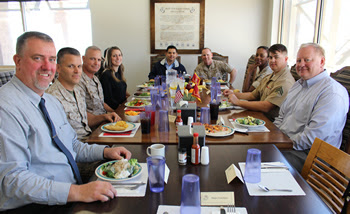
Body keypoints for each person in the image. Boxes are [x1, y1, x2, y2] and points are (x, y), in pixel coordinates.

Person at [0, 31, 132, 211]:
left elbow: (73, 146)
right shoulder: (5, 107)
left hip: (70, 190)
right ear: (18, 61)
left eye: (52, 59)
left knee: (130, 176)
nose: (47, 67)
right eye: (38, 58)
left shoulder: (50, 102)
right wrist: (78, 192)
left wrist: (106, 152)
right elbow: (12, 180)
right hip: (38, 204)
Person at [274, 43, 349, 172]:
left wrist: (277, 144)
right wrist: (271, 136)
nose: (301, 64)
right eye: (298, 60)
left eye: (307, 60)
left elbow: (313, 138)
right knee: (245, 150)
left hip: (310, 157)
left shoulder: (332, 93)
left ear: (322, 61)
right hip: (286, 145)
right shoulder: (298, 85)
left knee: (254, 162)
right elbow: (281, 118)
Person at [47, 47, 120, 140]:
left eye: (79, 66)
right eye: (71, 66)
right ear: (58, 68)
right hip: (78, 146)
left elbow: (84, 121)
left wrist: (105, 116)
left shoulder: (76, 91)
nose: (77, 71)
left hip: (89, 139)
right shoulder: (51, 97)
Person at [223, 44, 295, 121]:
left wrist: (238, 102)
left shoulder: (285, 81)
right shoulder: (270, 76)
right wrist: (232, 94)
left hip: (273, 125)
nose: (272, 60)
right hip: (260, 116)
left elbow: (267, 106)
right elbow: (252, 95)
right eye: (270, 57)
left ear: (286, 59)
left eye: (276, 57)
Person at [77, 46, 118, 115]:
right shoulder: (78, 80)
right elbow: (81, 113)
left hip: (104, 118)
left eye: (99, 60)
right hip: (94, 124)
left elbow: (100, 103)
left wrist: (116, 113)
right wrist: (105, 117)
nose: (96, 63)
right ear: (83, 59)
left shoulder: (95, 79)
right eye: (92, 59)